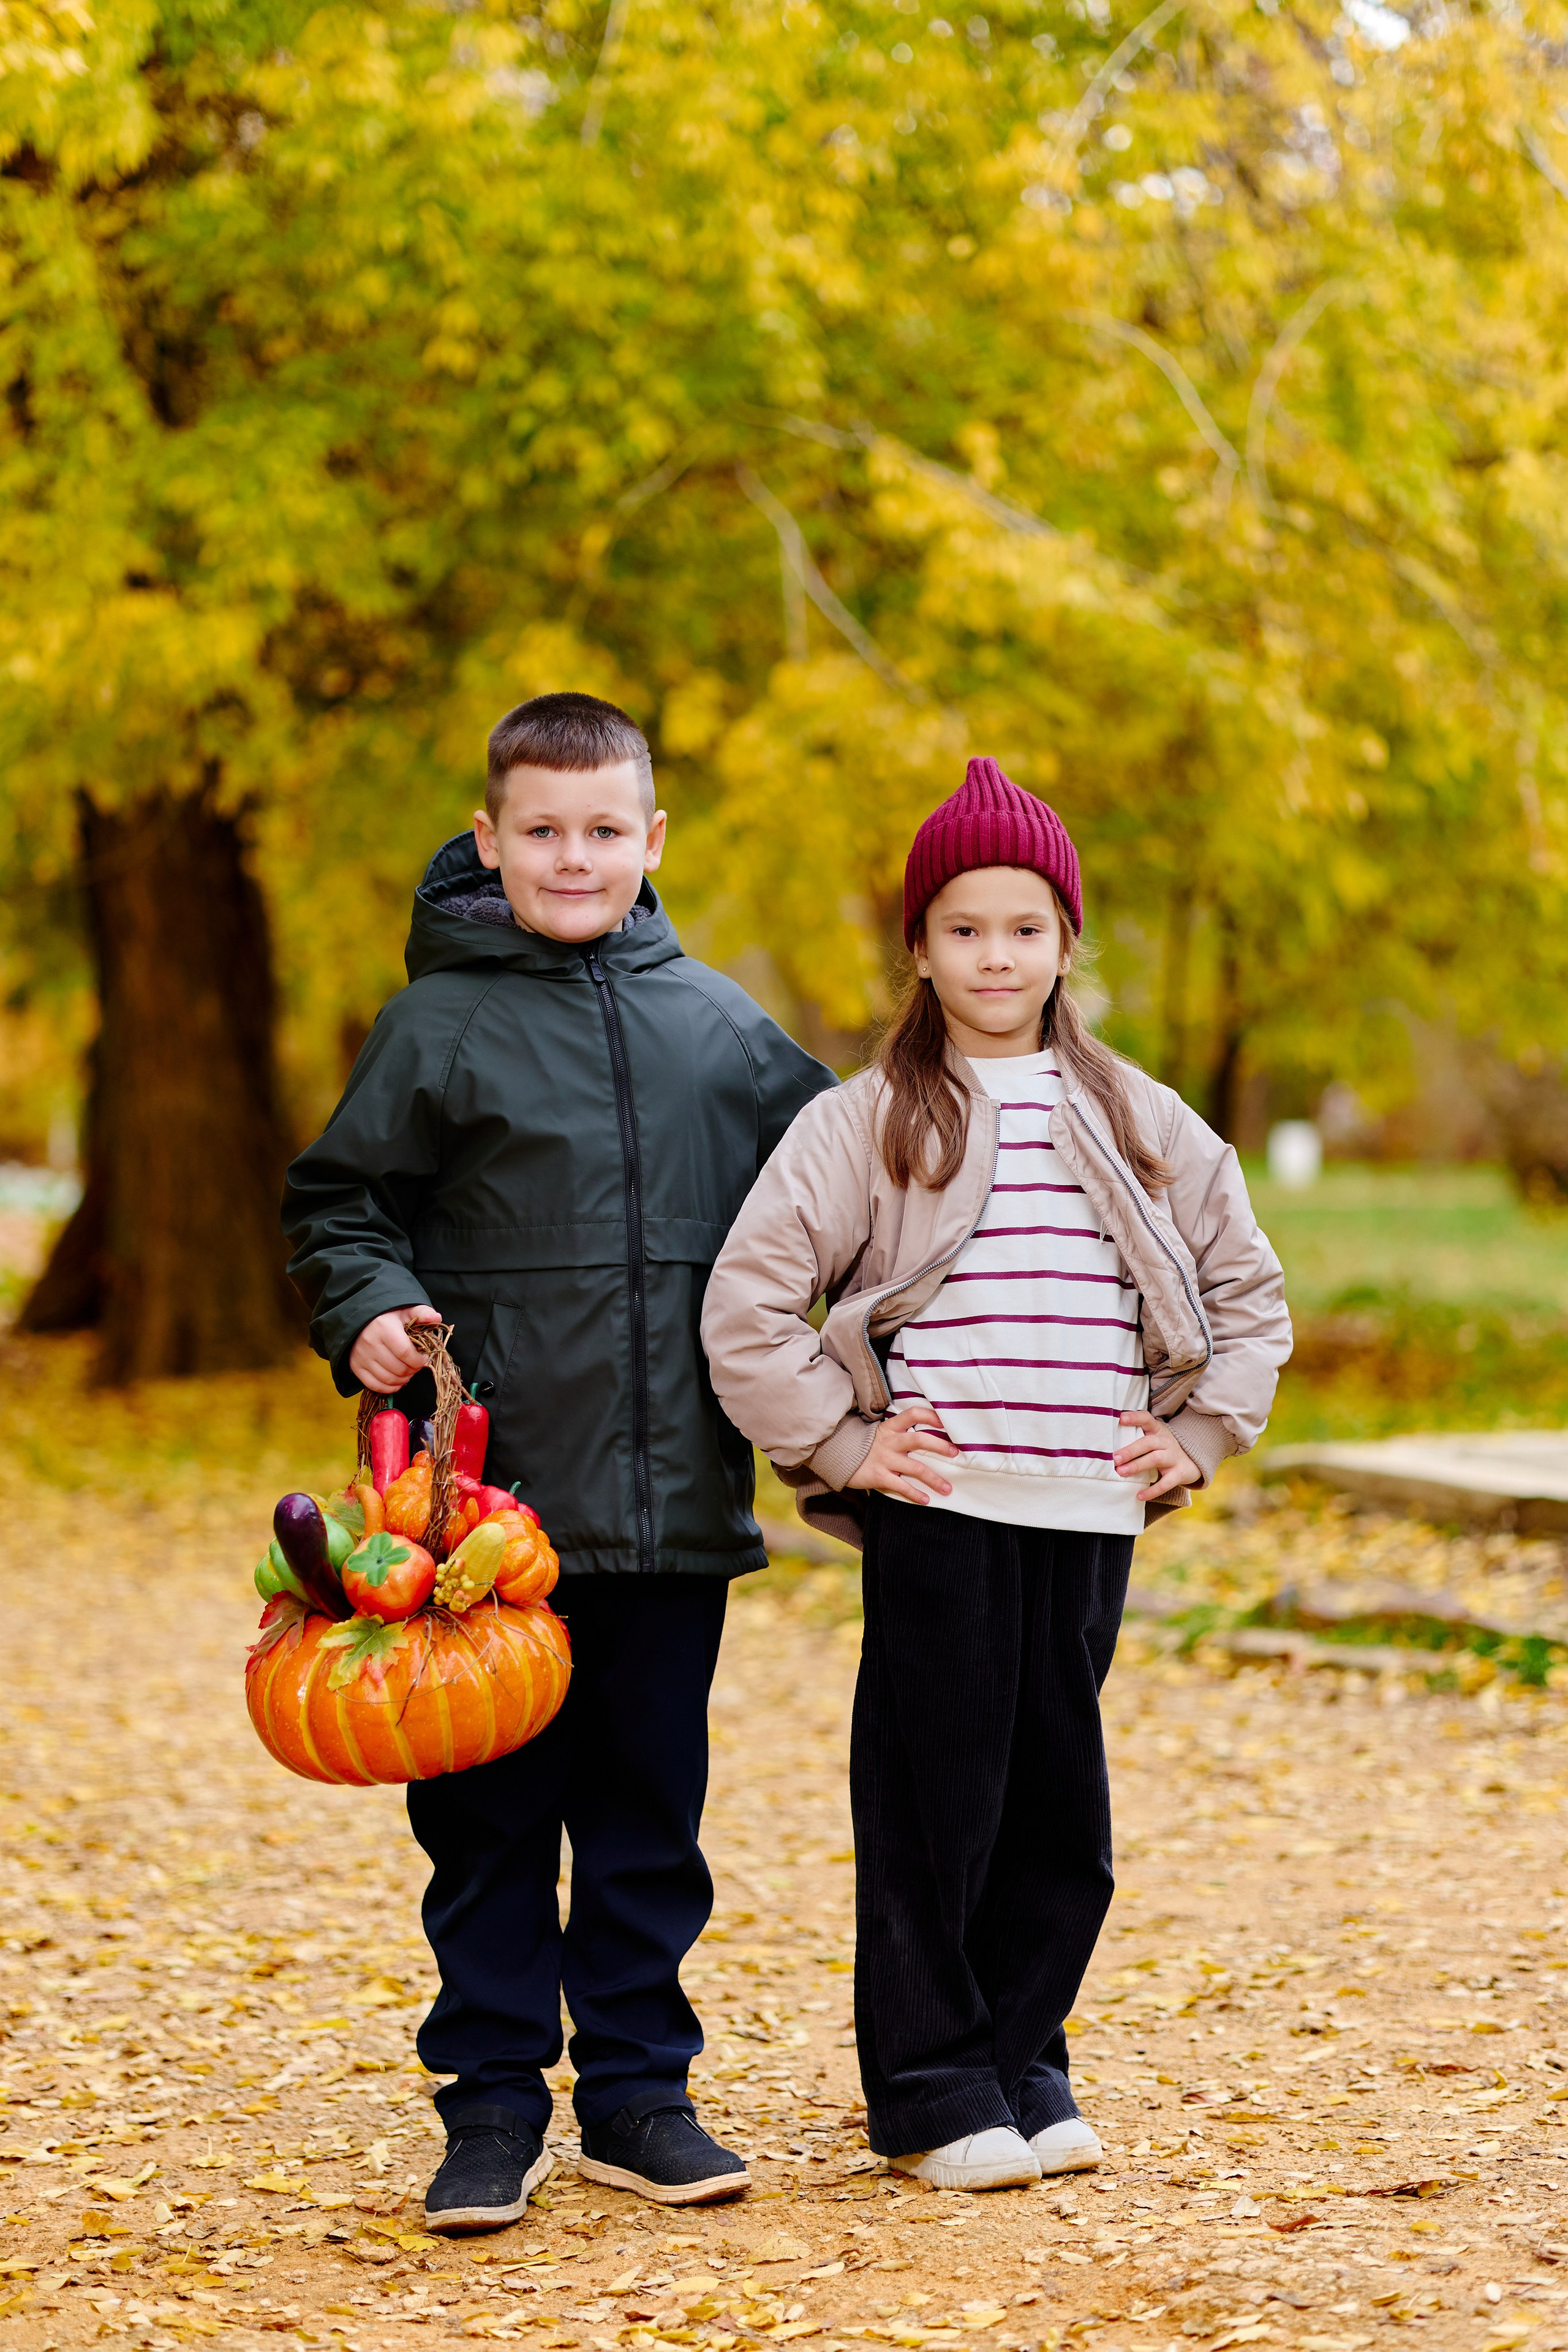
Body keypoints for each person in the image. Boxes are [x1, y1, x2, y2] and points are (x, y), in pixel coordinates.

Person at [283, 692, 834, 2226]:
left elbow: (842, 1197)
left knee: (651, 1813)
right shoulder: (433, 1028)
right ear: (489, 839)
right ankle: (491, 2104)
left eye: (603, 831)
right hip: (484, 1523)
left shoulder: (722, 1032)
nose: (572, 857)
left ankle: (641, 2095)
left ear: (651, 842)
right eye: (541, 831)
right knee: (487, 1824)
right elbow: (339, 1205)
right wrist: (371, 1307)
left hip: (674, 1509)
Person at [701, 758, 1291, 2193]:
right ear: (918, 945)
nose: (994, 956)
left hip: (1086, 1508)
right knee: (932, 1805)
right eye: (962, 928)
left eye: (1022, 926)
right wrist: (843, 1447)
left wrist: (1198, 1431)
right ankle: (926, 2089)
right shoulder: (867, 1121)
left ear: (1065, 939)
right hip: (945, 1513)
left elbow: (1246, 1293)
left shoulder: (1143, 1118)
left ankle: (1024, 2059)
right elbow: (747, 1308)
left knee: (1056, 1816)